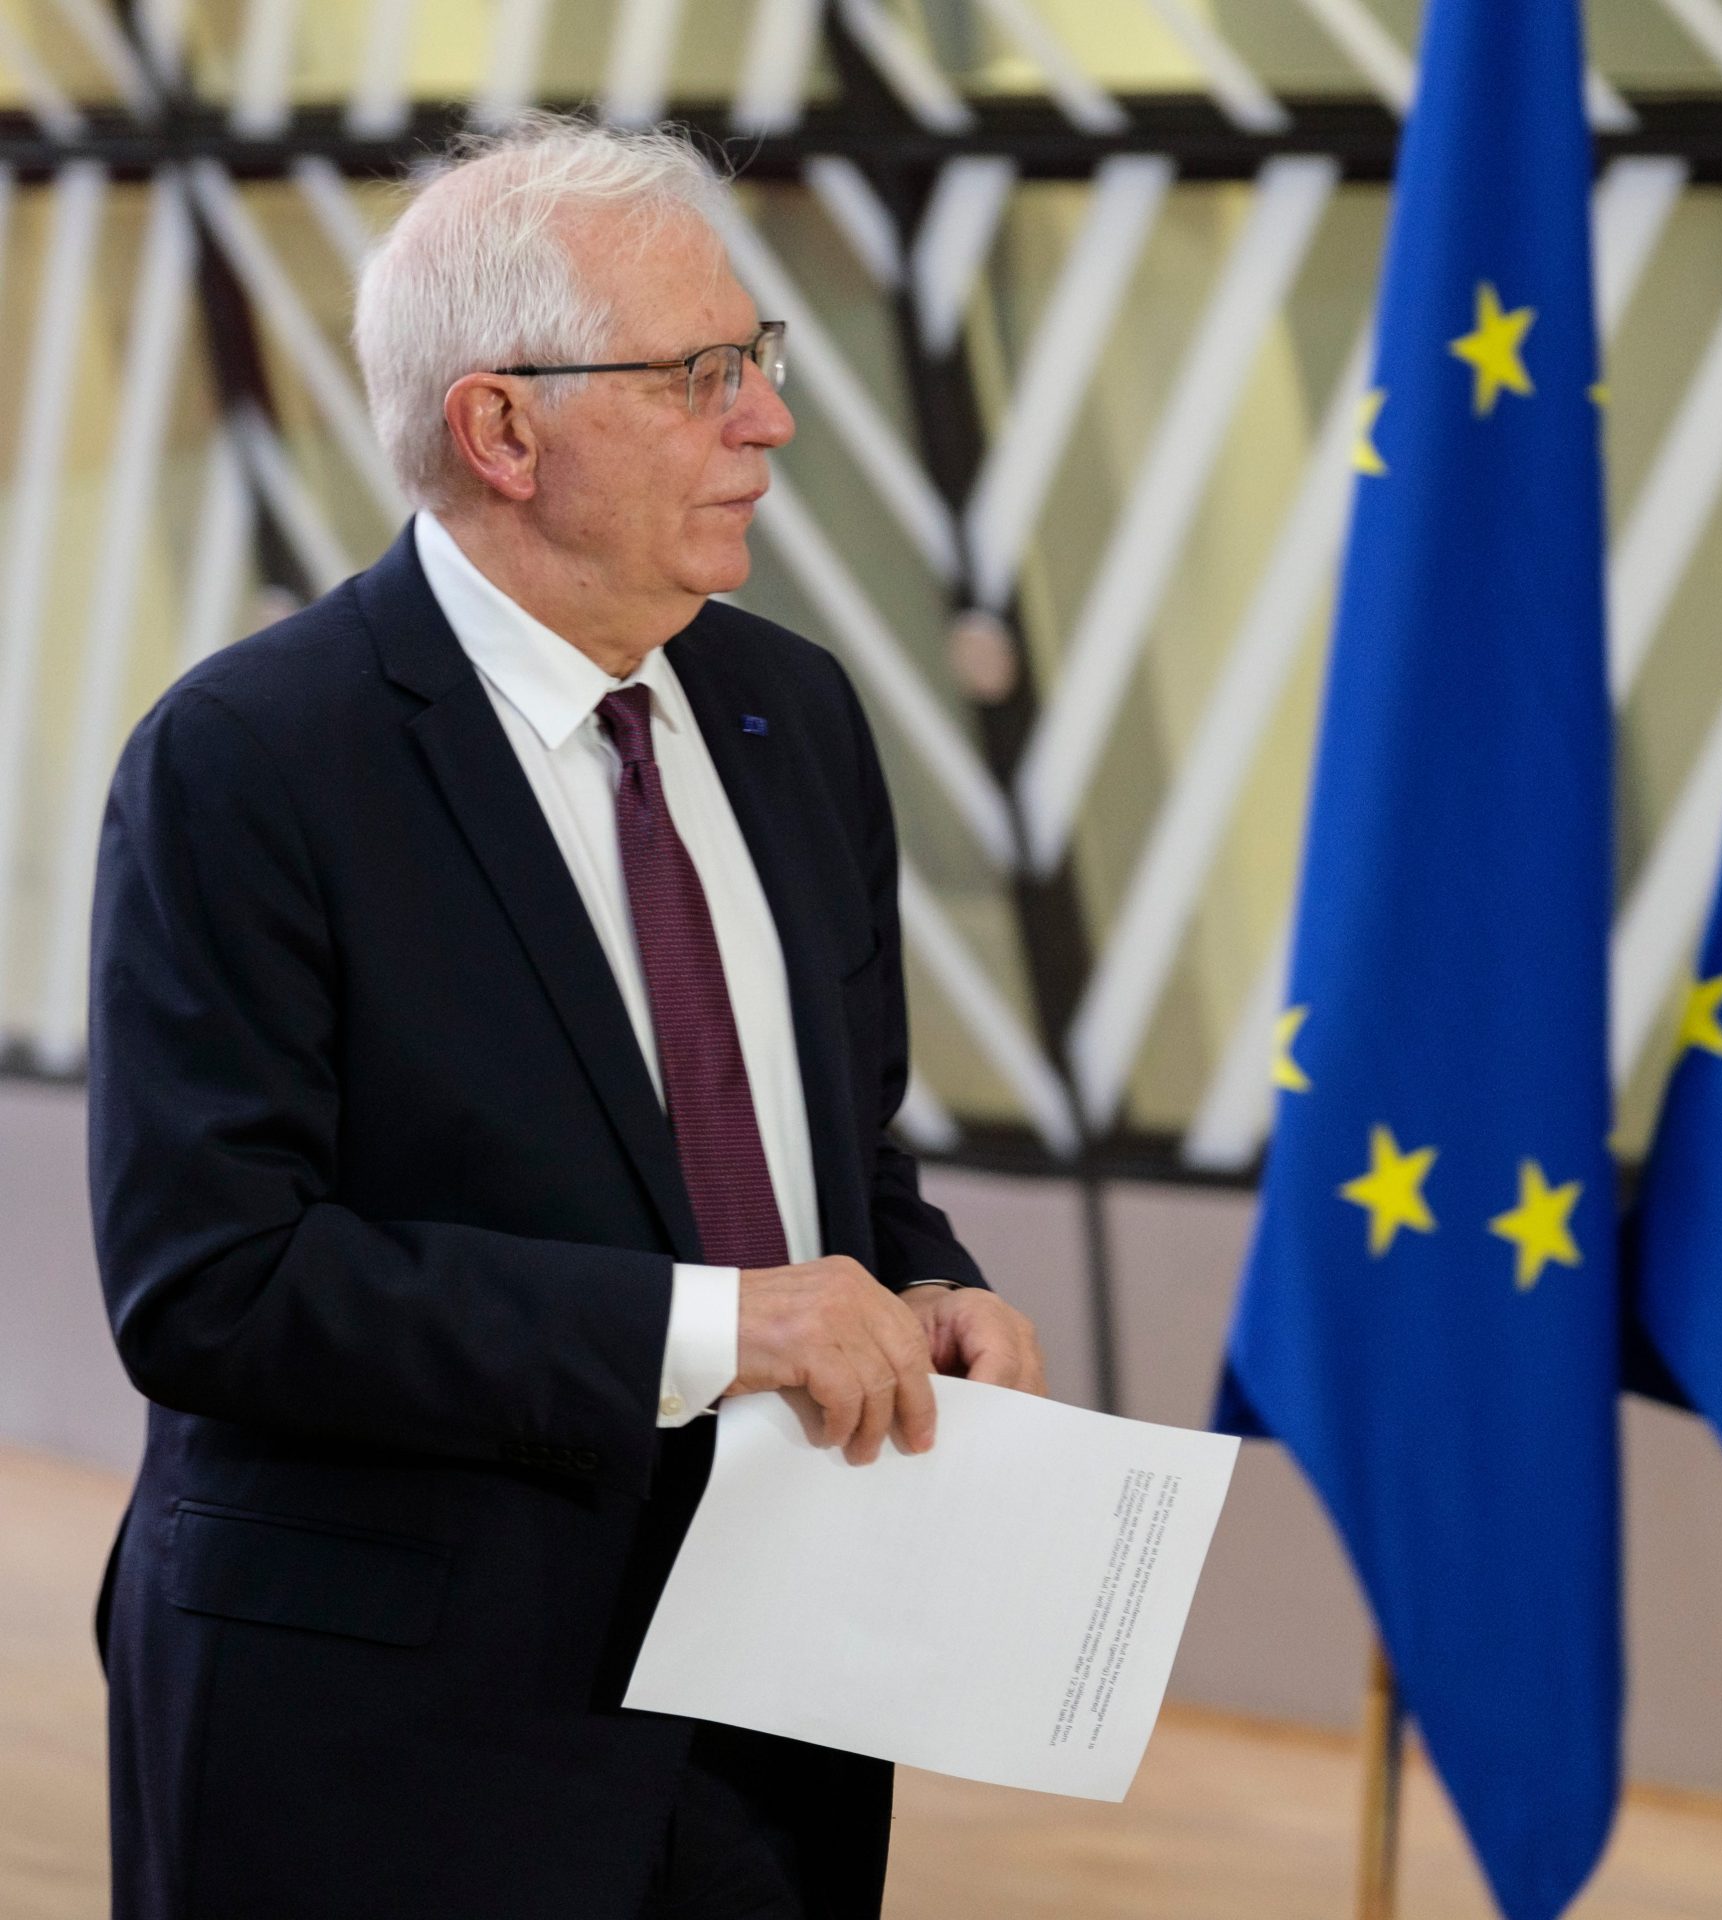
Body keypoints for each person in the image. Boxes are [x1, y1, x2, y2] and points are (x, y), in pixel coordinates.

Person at [86, 115, 1044, 1920]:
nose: (766, 420)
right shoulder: (248, 761)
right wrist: (722, 1327)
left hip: (778, 1705)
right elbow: (214, 1286)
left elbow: (838, 1149)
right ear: (500, 430)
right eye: (700, 376)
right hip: (385, 1737)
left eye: (758, 361)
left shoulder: (796, 715)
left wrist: (919, 1287)